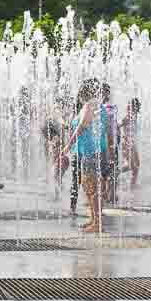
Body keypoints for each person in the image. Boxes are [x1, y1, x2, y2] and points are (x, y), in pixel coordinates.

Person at [61, 79, 106, 233]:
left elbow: (82, 126)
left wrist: (68, 145)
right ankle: (93, 220)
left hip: (90, 152)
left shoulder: (90, 105)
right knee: (89, 187)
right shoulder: (94, 106)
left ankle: (97, 223)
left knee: (92, 188)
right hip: (89, 152)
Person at [100, 84, 119, 204]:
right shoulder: (108, 108)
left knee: (107, 171)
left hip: (106, 143)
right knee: (109, 170)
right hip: (107, 144)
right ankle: (109, 194)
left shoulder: (105, 108)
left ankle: (108, 194)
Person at [120, 98, 142, 187]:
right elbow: (117, 125)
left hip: (132, 144)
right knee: (131, 166)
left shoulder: (134, 117)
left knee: (137, 165)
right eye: (128, 105)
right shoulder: (127, 117)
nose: (127, 106)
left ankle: (133, 184)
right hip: (127, 144)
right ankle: (113, 173)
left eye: (130, 105)